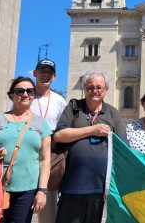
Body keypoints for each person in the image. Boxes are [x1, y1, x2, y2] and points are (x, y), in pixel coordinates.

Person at [54, 71, 125, 223]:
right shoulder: (74, 107)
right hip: (73, 183)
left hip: (101, 186)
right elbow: (59, 135)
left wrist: (114, 185)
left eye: (99, 87)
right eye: (90, 87)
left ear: (106, 89)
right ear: (84, 89)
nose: (95, 90)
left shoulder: (113, 113)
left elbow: (122, 148)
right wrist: (92, 130)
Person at [0, 77, 51, 223]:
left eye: (30, 91)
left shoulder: (41, 123)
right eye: (20, 91)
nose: (25, 94)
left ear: (33, 95)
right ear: (12, 95)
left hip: (27, 191)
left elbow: (45, 160)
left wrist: (42, 191)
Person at [7, 58, 67, 223]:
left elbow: (64, 127)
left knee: (47, 211)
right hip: (25, 156)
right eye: (42, 71)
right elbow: (9, 121)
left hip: (50, 157)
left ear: (54, 77)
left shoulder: (60, 101)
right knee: (20, 207)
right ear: (35, 73)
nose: (45, 75)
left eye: (49, 72)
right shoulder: (23, 96)